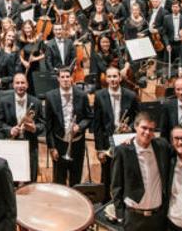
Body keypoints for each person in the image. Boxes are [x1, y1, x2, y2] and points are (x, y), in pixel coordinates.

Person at [111, 111, 171, 230]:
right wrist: (120, 215)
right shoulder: (122, 151)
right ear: (135, 126)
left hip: (158, 217)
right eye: (144, 128)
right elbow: (116, 186)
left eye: (151, 129)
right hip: (133, 217)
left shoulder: (162, 146)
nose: (147, 133)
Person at [93, 66, 139, 198]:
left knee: (125, 174)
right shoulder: (99, 96)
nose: (113, 79)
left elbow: (137, 118)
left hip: (126, 140)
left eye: (115, 76)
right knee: (106, 175)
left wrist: (130, 127)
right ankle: (105, 203)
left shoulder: (131, 95)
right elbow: (97, 125)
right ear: (106, 79)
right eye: (110, 77)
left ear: (120, 78)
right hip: (107, 142)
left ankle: (124, 203)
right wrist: (99, 149)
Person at [44, 68, 92, 186]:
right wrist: (52, 147)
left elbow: (89, 117)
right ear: (58, 79)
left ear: (71, 78)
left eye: (67, 76)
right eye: (63, 77)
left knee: (76, 178)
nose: (65, 79)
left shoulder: (82, 95)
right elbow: (48, 125)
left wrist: (79, 127)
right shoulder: (50, 96)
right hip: (59, 142)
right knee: (59, 179)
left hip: (77, 143)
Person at [0, 72, 44, 181]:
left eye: (23, 83)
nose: (20, 86)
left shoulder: (36, 102)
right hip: (12, 144)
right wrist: (10, 130)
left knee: (31, 178)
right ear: (13, 85)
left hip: (30, 144)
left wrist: (35, 128)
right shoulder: (4, 101)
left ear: (27, 85)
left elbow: (42, 124)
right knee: (12, 178)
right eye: (17, 83)